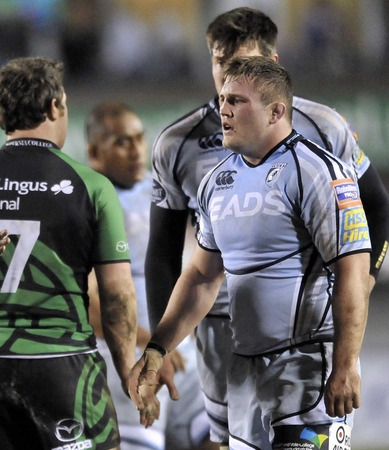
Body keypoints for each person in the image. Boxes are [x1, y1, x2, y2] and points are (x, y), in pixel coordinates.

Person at [144, 7, 389, 447]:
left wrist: (347, 360)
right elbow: (198, 274)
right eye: (222, 94)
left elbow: (354, 264)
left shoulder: (318, 164)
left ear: (276, 107)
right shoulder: (217, 179)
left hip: (306, 363)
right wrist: (159, 347)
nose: (222, 105)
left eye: (236, 98)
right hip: (237, 363)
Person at [0, 56, 138, 450]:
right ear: (53, 107)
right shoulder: (91, 186)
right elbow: (117, 295)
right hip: (64, 364)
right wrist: (127, 369)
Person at [85, 102, 211, 450]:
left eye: (140, 138)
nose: (137, 149)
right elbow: (89, 302)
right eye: (122, 142)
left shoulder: (158, 190)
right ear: (95, 151)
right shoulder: (87, 200)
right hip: (129, 357)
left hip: (178, 352)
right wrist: (150, 345)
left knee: (218, 436)